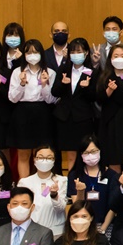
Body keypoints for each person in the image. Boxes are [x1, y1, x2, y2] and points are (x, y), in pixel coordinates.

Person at [6, 39, 57, 176]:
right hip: (22, 113)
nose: (32, 55)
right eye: (28, 52)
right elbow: (12, 98)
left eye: (35, 52)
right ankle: (24, 186)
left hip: (43, 113)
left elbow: (52, 99)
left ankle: (41, 185)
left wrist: (45, 85)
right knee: (23, 154)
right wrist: (22, 84)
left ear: (41, 54)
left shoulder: (50, 73)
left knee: (42, 154)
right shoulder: (17, 72)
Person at [51, 37, 98, 168]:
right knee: (70, 154)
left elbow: (94, 97)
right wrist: (62, 84)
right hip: (64, 117)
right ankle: (70, 183)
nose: (76, 54)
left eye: (79, 51)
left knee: (83, 153)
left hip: (83, 118)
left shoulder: (91, 72)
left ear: (86, 53)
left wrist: (86, 87)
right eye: (73, 51)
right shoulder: (63, 70)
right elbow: (55, 92)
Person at [17, 144, 68, 239]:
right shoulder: (25, 182)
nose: (44, 160)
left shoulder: (62, 180)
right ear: (34, 159)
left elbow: (60, 209)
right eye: (41, 157)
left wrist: (54, 195)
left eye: (49, 158)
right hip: (32, 232)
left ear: (54, 160)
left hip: (56, 233)